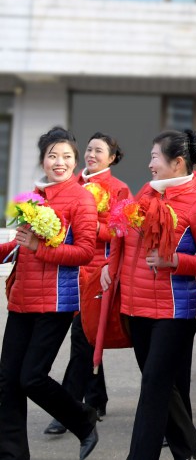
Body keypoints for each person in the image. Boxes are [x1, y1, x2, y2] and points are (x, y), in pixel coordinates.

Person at [101, 129, 196, 460]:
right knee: (160, 384)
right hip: (136, 304)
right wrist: (111, 265)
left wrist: (175, 261)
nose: (148, 164)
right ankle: (188, 447)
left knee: (151, 389)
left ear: (177, 163)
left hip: (175, 309)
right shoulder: (147, 192)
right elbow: (123, 234)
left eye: (154, 157)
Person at [0, 127, 100, 459]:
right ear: (43, 160)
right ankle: (12, 454)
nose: (59, 162)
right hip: (22, 298)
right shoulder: (32, 197)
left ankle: (82, 419)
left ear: (75, 161)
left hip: (57, 300)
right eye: (52, 156)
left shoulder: (82, 197)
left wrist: (39, 249)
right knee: (7, 382)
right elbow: (21, 245)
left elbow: (85, 252)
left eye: (67, 157)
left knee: (31, 378)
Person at [45, 132, 129, 436]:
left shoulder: (119, 189)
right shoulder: (73, 185)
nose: (91, 155)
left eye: (99, 151)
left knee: (82, 340)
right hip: (68, 268)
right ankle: (96, 398)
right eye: (89, 150)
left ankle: (68, 409)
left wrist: (94, 226)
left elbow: (123, 231)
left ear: (112, 158)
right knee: (87, 338)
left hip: (96, 273)